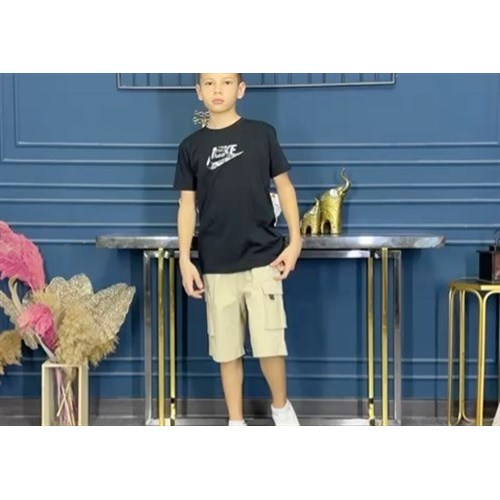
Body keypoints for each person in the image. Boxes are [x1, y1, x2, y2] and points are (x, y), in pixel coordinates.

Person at [174, 73, 302, 426]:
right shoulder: (190, 146)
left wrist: (295, 241)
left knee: (270, 344)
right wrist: (185, 259)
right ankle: (235, 422)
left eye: (227, 82)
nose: (218, 90)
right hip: (216, 264)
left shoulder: (262, 134)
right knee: (226, 349)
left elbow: (285, 187)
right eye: (210, 83)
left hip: (263, 260)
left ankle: (282, 410)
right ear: (199, 91)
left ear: (241, 89)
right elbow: (187, 205)